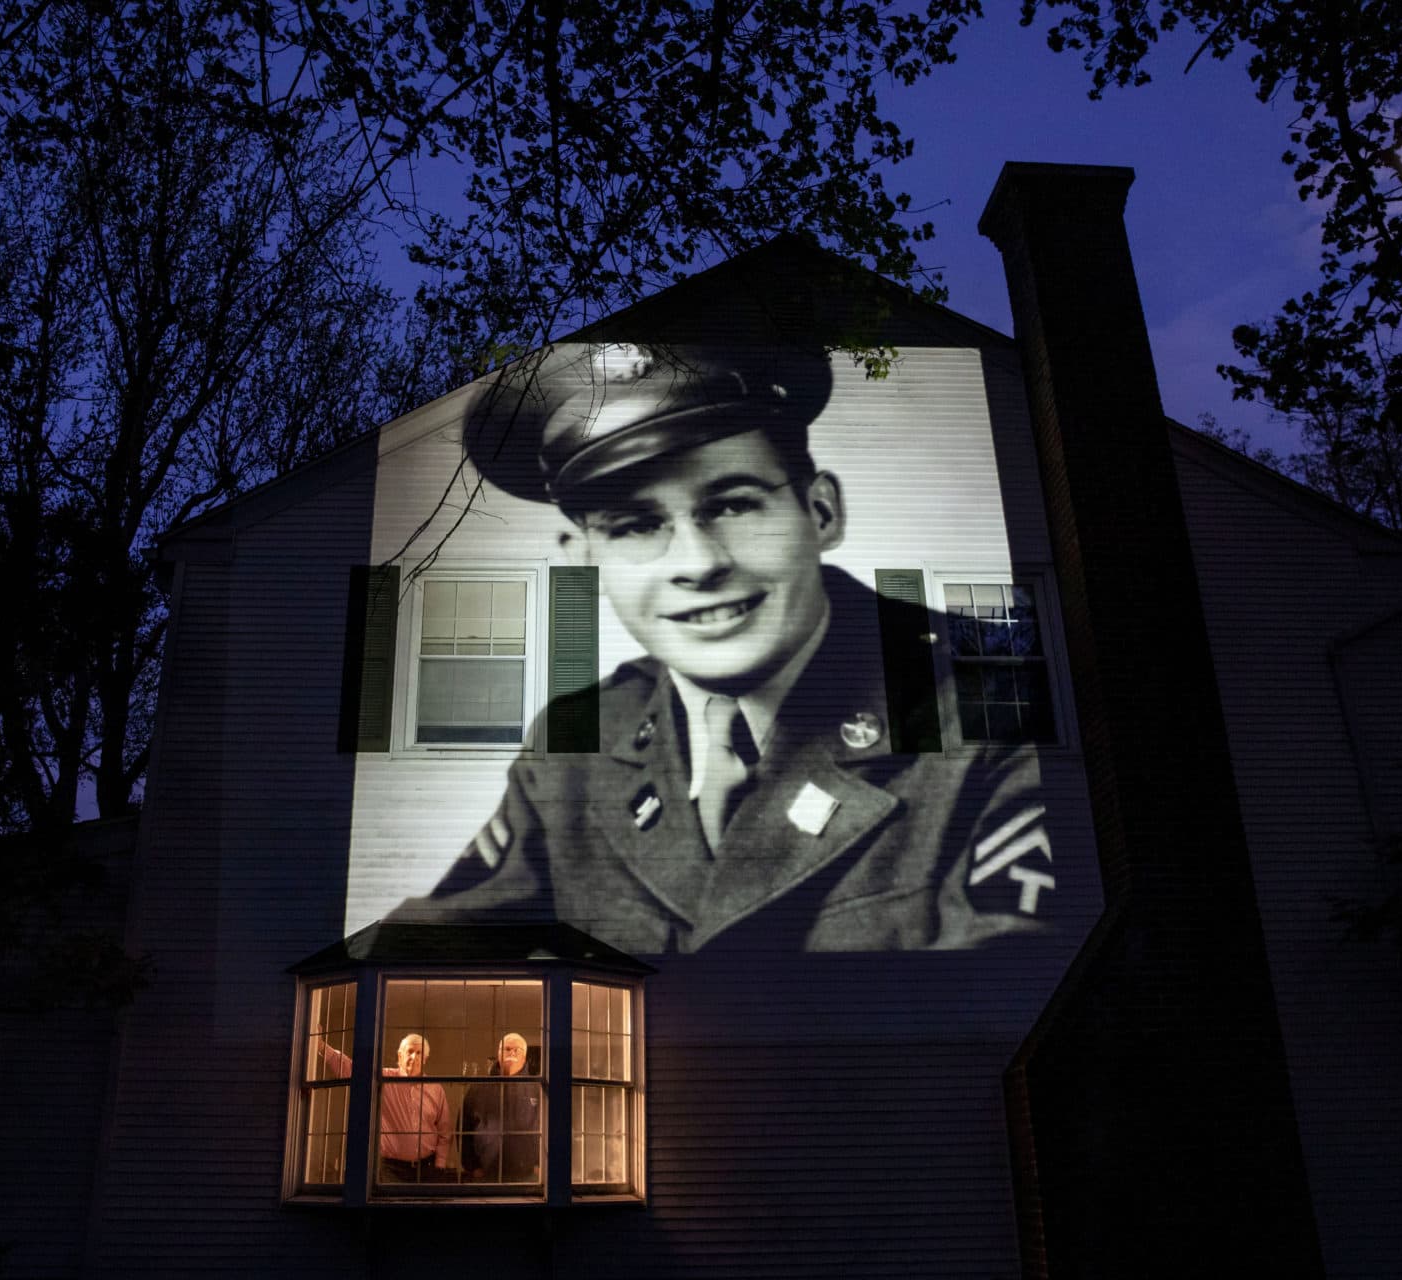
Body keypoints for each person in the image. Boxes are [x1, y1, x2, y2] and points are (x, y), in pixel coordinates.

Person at [392, 342, 1055, 953]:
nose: (699, 563)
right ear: (584, 561)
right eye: (636, 526)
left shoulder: (1002, 701)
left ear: (819, 514)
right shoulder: (576, 744)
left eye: (734, 506)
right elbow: (427, 951)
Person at [321, 1032, 453, 1182]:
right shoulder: (384, 1079)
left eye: (419, 1053)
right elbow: (350, 1069)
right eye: (410, 1052)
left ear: (425, 1059)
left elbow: (445, 1130)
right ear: (400, 1056)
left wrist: (440, 1164)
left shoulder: (436, 1089)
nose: (414, 1057)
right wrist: (320, 1047)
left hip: (427, 1169)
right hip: (392, 1169)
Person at [461, 1032, 542, 1183]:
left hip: (529, 1177)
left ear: (524, 1057)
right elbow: (463, 1129)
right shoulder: (478, 1088)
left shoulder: (537, 1089)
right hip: (486, 1176)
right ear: (499, 1054)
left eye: (517, 1050)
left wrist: (541, 1164)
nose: (511, 1053)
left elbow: (550, 1128)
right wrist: (472, 1167)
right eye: (507, 1049)